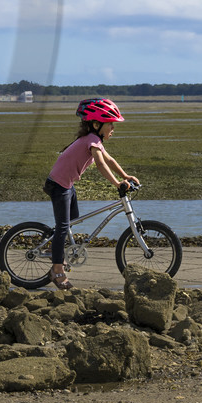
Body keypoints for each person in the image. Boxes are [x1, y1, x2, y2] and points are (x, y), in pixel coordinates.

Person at [44, 97, 138, 290]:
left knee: (73, 220)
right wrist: (116, 183)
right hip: (59, 186)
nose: (113, 129)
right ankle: (57, 271)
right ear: (96, 124)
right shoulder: (92, 140)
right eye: (110, 125)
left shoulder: (94, 140)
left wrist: (125, 175)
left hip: (67, 185)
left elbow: (109, 160)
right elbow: (101, 164)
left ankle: (55, 248)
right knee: (63, 227)